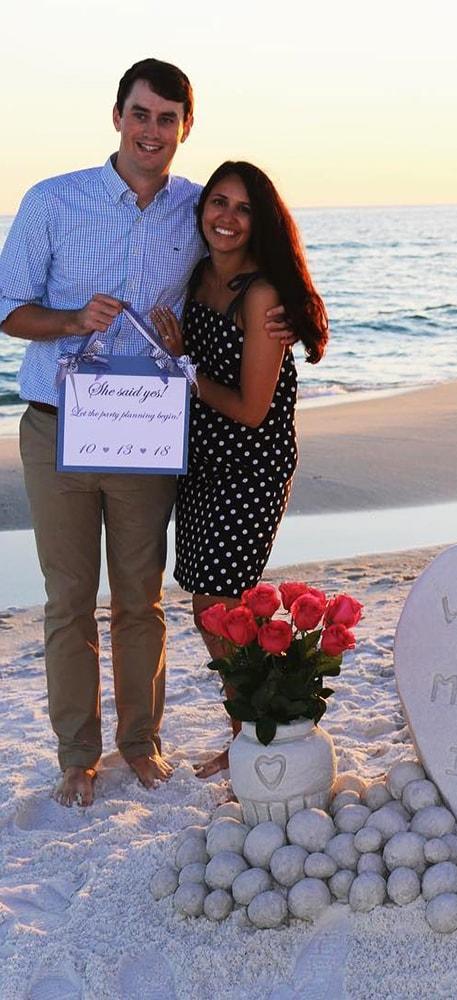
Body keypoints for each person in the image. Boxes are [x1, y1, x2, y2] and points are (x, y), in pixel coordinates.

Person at [0, 60, 289, 807]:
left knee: (140, 600)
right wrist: (70, 321)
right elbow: (8, 309)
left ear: (185, 126)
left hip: (145, 435)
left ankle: (142, 743)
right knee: (68, 598)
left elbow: (253, 258)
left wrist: (289, 316)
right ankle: (76, 756)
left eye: (167, 118)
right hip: (56, 429)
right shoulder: (52, 200)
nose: (151, 130)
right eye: (140, 114)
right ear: (117, 116)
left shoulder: (197, 210)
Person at [151, 161, 328, 777]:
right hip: (201, 458)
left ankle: (258, 736)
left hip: (250, 464)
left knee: (219, 602)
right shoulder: (200, 275)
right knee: (209, 601)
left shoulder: (261, 296)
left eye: (242, 209)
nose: (226, 218)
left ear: (261, 223)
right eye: (217, 203)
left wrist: (184, 371)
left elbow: (253, 411)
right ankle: (247, 732)